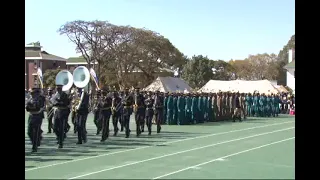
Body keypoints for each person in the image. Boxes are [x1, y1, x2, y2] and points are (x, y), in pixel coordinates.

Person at [26, 88, 45, 152]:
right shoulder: (30, 99)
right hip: (31, 116)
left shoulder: (41, 99)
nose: (31, 94)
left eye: (32, 93)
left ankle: (35, 147)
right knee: (29, 132)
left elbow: (40, 108)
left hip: (38, 116)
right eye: (31, 93)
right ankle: (37, 140)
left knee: (36, 132)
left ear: (37, 93)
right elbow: (27, 107)